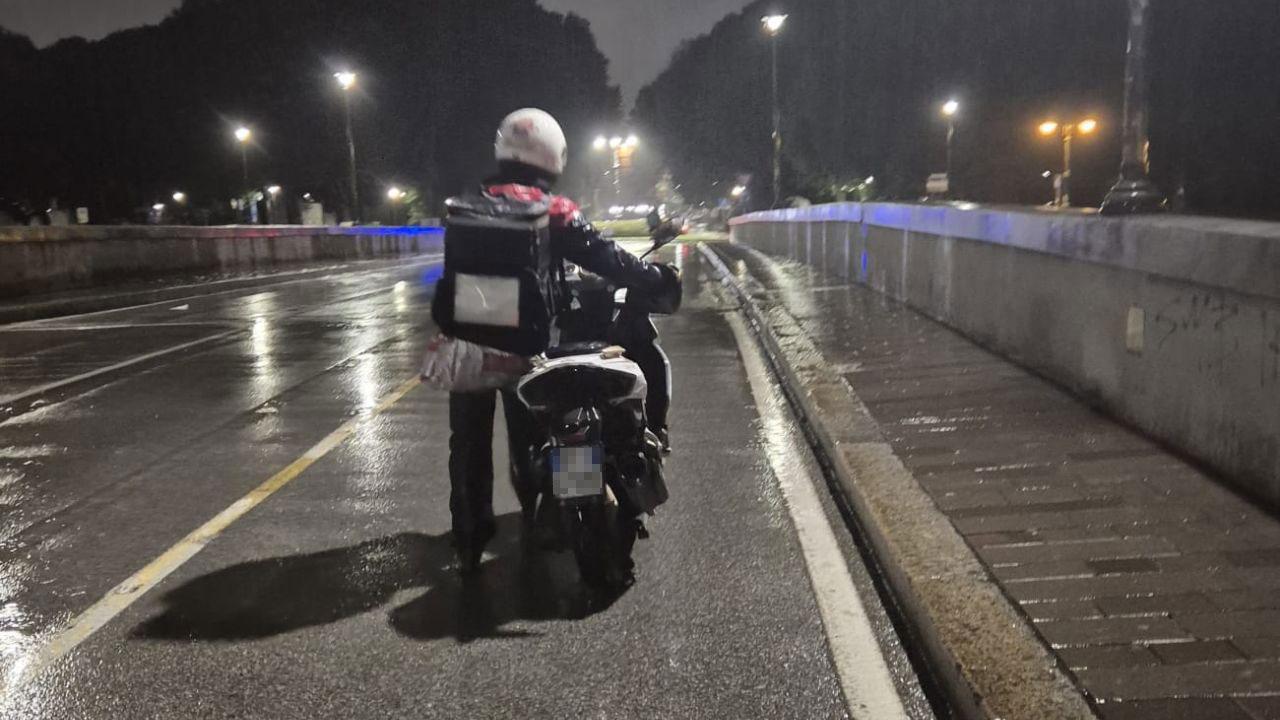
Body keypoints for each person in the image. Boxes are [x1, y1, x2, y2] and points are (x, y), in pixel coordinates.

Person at [439, 108, 672, 574]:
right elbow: (604, 255)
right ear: (552, 154)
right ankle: (541, 518)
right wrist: (653, 277)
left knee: (467, 447)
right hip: (526, 345)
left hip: (465, 345)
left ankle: (469, 538)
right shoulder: (552, 209)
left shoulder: (465, 206)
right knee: (537, 436)